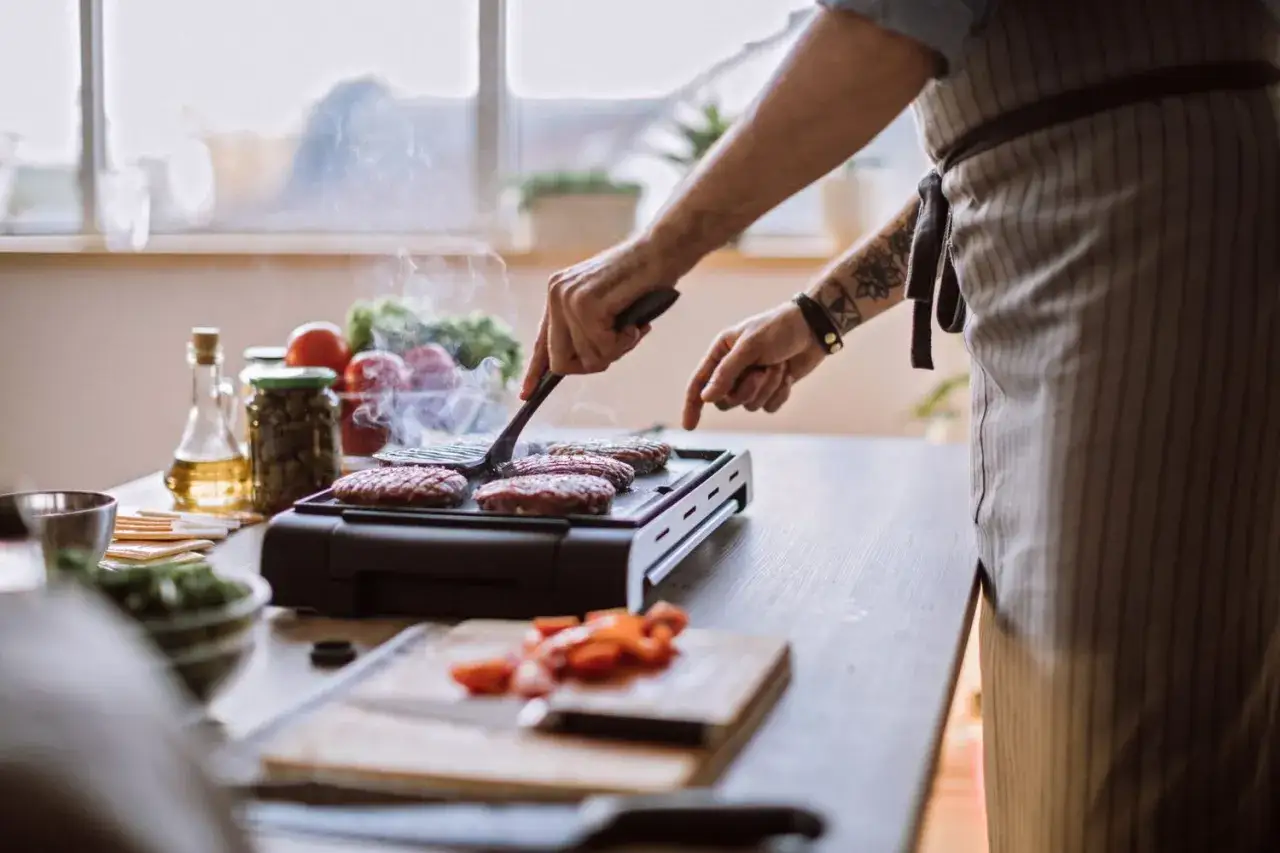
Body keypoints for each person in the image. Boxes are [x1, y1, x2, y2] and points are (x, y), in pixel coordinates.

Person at [520, 2, 1280, 851]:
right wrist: (819, 313)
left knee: (1127, 745)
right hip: (1085, 268)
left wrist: (655, 249)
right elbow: (991, 143)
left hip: (1151, 258)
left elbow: (884, 27)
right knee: (1066, 725)